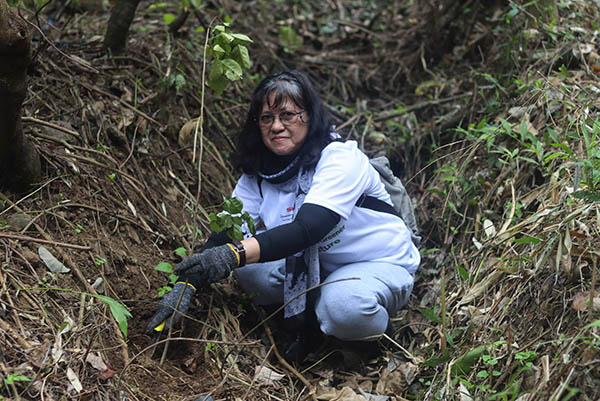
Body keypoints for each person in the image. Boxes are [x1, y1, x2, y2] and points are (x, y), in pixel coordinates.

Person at [145, 70, 421, 362]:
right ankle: (309, 324)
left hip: (376, 263)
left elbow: (308, 229)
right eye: (266, 118)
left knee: (344, 306)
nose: (276, 126)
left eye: (288, 115)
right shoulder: (261, 174)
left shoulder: (340, 158)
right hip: (320, 270)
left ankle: (376, 337)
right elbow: (226, 233)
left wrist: (230, 255)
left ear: (309, 117)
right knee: (250, 269)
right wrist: (186, 285)